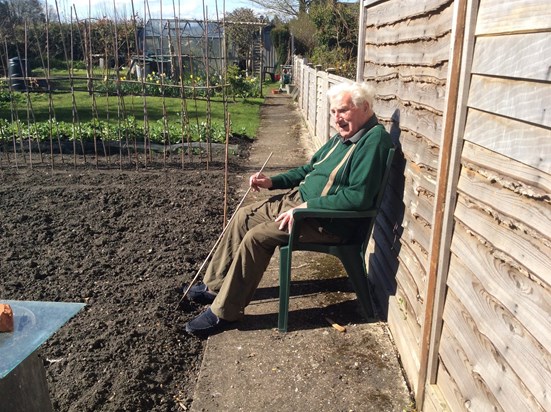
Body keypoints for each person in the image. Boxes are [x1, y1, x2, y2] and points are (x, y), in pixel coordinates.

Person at [184, 81, 393, 336]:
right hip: (299, 204)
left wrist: (306, 207)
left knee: (257, 238)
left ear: (365, 108)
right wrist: (272, 182)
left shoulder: (373, 142)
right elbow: (309, 170)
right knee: (243, 216)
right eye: (333, 112)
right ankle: (215, 286)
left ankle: (225, 312)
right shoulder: (344, 137)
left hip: (326, 222)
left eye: (343, 111)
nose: (337, 119)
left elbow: (358, 197)